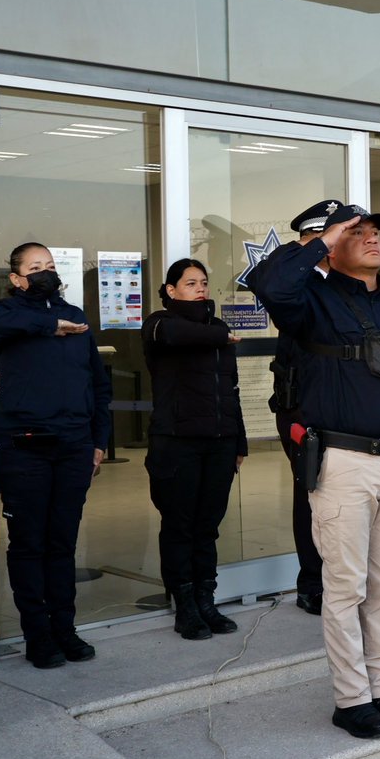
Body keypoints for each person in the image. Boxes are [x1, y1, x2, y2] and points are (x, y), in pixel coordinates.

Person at [250, 200, 380, 740]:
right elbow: (268, 284)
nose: (372, 237)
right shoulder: (312, 301)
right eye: (358, 231)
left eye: (375, 229)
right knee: (346, 588)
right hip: (344, 463)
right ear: (329, 242)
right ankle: (351, 699)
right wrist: (324, 242)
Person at [0, 242, 111, 669]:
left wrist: (98, 440)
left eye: (50, 266)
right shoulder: (6, 315)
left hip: (73, 445)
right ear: (16, 279)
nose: (45, 273)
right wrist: (49, 324)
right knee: (29, 544)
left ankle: (65, 629)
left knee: (62, 542)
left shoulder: (78, 316)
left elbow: (98, 384)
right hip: (25, 447)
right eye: (35, 268)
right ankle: (38, 634)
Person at [143, 258, 246, 641]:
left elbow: (230, 391)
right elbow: (176, 335)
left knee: (207, 527)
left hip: (219, 444)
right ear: (171, 291)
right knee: (179, 526)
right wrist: (221, 337)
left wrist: (239, 442)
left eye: (203, 282)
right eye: (190, 283)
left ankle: (206, 601)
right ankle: (184, 606)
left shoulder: (218, 330)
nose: (200, 288)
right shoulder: (158, 324)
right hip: (176, 444)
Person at [268, 213, 332, 617]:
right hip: (301, 407)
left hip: (341, 407)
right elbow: (275, 284)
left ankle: (341, 578)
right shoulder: (297, 285)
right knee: (310, 495)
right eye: (324, 238)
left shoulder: (347, 285)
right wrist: (310, 252)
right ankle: (312, 582)